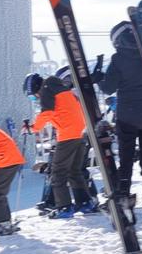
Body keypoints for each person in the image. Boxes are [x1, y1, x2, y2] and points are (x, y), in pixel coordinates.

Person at [95, 22, 142, 215]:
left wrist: (98, 78)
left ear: (118, 41)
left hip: (128, 116)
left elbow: (108, 88)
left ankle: (123, 195)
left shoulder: (119, 59)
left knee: (126, 159)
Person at [30, 73, 95, 216]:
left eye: (32, 96)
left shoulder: (46, 89)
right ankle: (85, 202)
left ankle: (64, 207)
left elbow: (47, 113)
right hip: (80, 133)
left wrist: (32, 128)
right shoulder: (64, 90)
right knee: (74, 171)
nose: (35, 99)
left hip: (67, 135)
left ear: (35, 88)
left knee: (58, 172)